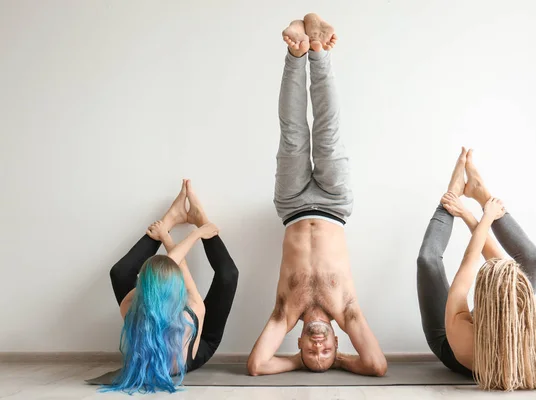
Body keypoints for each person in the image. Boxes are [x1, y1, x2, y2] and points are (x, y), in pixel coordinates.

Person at [246, 14, 387, 377]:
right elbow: (376, 365)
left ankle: (297, 50)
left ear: (299, 343)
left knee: (292, 131)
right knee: (328, 129)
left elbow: (258, 365)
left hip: (292, 205)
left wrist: (298, 364)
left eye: (313, 354)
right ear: (339, 341)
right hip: (334, 205)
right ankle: (320, 50)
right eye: (327, 352)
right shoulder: (347, 310)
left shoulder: (285, 313)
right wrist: (339, 362)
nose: (319, 347)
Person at [416, 148, 536, 391]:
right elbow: (507, 269)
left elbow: (471, 258)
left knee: (427, 261)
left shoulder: (462, 329)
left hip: (450, 345)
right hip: (480, 338)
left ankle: (451, 194)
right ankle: (481, 193)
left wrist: (474, 216)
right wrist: (478, 211)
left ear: (481, 300)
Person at [105, 180, 239, 393]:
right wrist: (197, 232)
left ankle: (170, 219)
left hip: (172, 338)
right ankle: (202, 220)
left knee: (119, 274)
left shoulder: (130, 306)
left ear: (143, 286)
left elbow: (160, 273)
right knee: (229, 276)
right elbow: (180, 264)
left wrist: (165, 230)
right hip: (198, 347)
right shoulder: (193, 311)